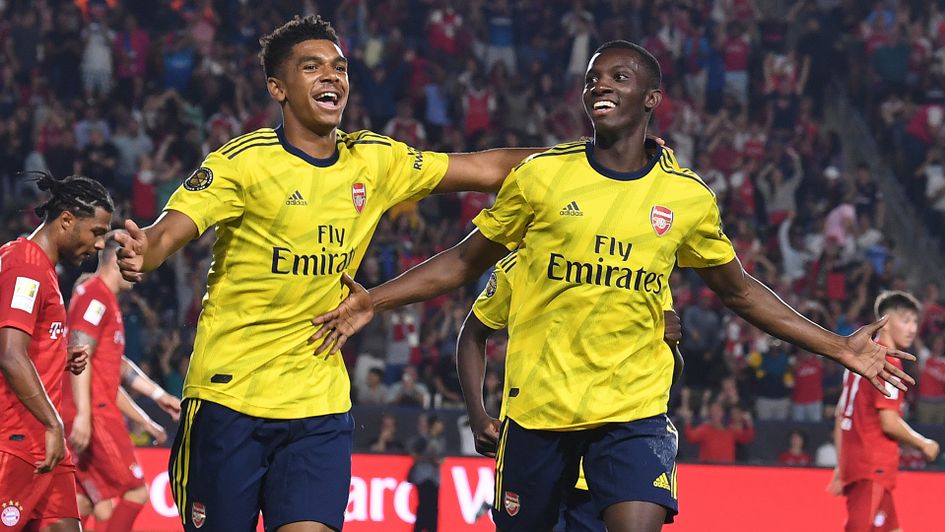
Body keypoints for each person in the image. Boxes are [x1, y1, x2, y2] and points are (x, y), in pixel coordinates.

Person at [314, 40, 914, 532]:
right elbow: (463, 263)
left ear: (651, 98)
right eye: (593, 79)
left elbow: (741, 292)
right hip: (539, 415)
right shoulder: (543, 178)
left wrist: (839, 347)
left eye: (619, 78)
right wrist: (376, 297)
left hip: (632, 414)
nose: (600, 86)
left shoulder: (686, 198)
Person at [112, 15, 540, 532]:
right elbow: (164, 234)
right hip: (229, 398)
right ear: (278, 88)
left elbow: (489, 167)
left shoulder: (373, 161)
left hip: (318, 403)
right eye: (311, 67)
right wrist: (144, 252)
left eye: (339, 68)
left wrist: (581, 162)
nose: (331, 78)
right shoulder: (242, 163)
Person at [455, 250, 684, 532]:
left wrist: (670, 347)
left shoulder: (644, 270)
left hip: (606, 459)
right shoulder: (523, 262)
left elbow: (664, 374)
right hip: (537, 441)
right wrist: (477, 417)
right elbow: (472, 333)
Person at [0, 172, 113, 532]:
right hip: (17, 439)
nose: (100, 245)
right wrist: (53, 422)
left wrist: (56, 356)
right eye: (96, 232)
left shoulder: (39, 268)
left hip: (46, 443)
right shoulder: (26, 268)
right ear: (67, 220)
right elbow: (9, 354)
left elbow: (23, 349)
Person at [60, 239, 182, 531]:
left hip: (90, 409)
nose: (140, 271)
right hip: (93, 414)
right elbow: (80, 353)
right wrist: (84, 415)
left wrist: (156, 397)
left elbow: (115, 370)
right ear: (116, 260)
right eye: (135, 262)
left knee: (88, 504)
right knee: (136, 492)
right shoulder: (95, 297)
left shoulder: (104, 300)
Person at [828, 291, 941, 532]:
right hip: (872, 464)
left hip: (858, 462)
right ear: (886, 323)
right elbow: (888, 421)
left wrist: (842, 464)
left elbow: (841, 415)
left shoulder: (860, 356)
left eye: (915, 322)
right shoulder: (888, 361)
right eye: (906, 320)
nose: (912, 328)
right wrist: (923, 443)